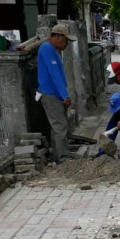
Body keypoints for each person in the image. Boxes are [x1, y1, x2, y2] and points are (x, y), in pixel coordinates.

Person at [37, 24, 76, 164]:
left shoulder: (53, 50)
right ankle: (63, 158)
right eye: (66, 40)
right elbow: (55, 75)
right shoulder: (47, 49)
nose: (66, 44)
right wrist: (65, 95)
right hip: (51, 94)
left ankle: (58, 156)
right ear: (59, 37)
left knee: (56, 127)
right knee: (60, 126)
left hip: (54, 94)